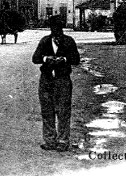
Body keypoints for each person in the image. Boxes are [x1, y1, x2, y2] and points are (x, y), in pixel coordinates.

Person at [31, 15, 80, 151]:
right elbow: (35, 58)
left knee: (63, 111)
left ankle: (63, 141)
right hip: (46, 80)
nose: (56, 30)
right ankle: (50, 141)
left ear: (62, 28)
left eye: (58, 27)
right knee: (47, 111)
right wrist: (46, 59)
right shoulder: (45, 41)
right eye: (53, 27)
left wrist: (63, 59)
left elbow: (76, 59)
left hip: (63, 80)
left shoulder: (69, 41)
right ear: (50, 28)